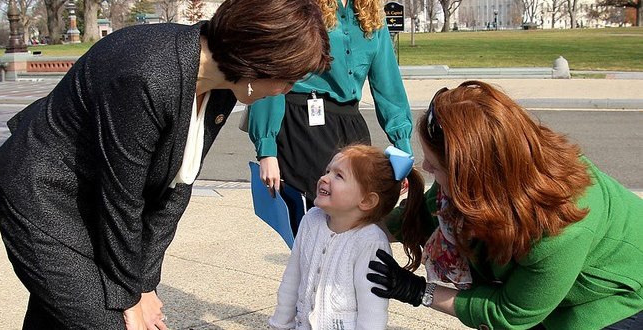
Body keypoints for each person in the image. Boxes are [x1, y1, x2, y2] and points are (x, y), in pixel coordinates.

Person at [0, 0, 331, 328]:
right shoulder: (147, 74)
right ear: (259, 60)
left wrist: (145, 281)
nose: (286, 90)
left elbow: (177, 188)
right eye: (289, 78)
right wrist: (131, 295)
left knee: (60, 315)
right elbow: (122, 199)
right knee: (104, 320)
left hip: (98, 197)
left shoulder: (223, 83)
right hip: (45, 193)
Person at [367, 81, 643, 329]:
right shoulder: (490, 169)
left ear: (476, 177)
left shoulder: (559, 231)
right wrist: (358, 226)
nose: (425, 168)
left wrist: (416, 291)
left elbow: (511, 312)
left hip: (616, 293)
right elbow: (424, 214)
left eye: (436, 167)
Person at [247, 0, 413, 235]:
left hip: (351, 124)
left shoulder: (372, 11)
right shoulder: (302, 6)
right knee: (316, 225)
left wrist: (402, 147)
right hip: (302, 124)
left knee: (358, 224)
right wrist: (267, 150)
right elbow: (275, 69)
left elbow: (388, 84)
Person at [270, 144, 418, 329]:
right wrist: (281, 323)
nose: (324, 178)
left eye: (338, 175)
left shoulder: (370, 242)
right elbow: (292, 278)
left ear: (366, 200)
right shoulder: (311, 220)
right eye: (327, 171)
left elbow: (372, 311)